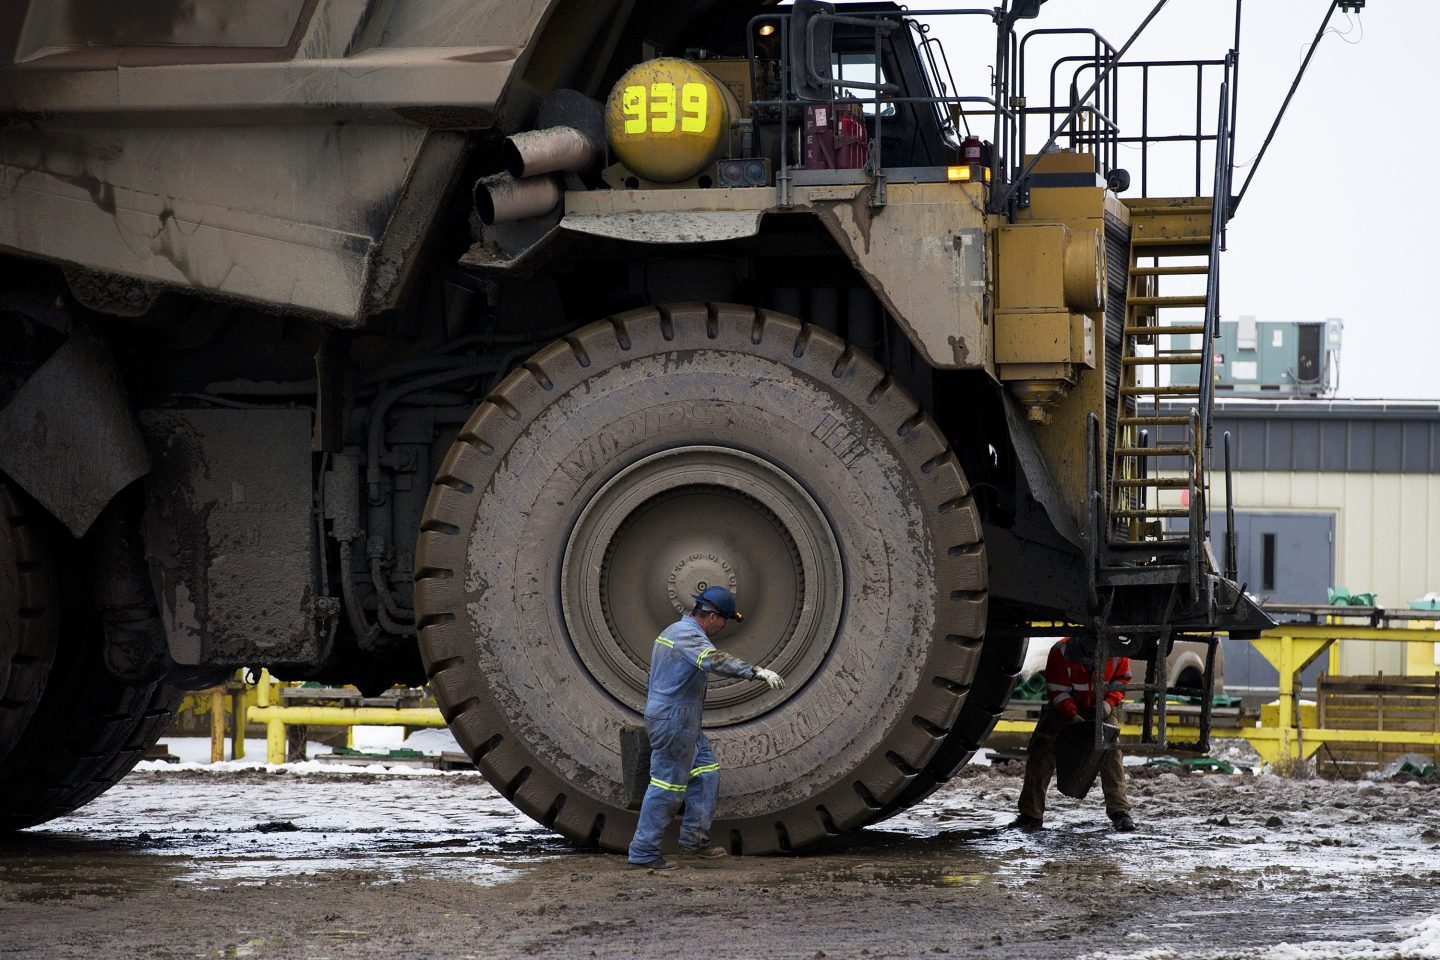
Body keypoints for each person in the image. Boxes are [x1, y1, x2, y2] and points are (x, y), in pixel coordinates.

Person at [627, 586, 785, 869]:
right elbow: (713, 660)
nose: (723, 626)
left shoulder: (677, 631)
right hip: (674, 721)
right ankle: (644, 853)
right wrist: (756, 671)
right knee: (667, 786)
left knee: (706, 773)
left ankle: (693, 844)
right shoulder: (686, 636)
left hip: (684, 720)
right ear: (712, 616)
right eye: (724, 620)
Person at [1011, 635, 1135, 832]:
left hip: (1102, 704)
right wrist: (1072, 716)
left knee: (1111, 751)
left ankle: (1119, 811)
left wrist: (1107, 704)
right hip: (1066, 705)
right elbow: (1058, 690)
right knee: (1043, 747)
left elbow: (1121, 680)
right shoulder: (1060, 651)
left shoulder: (1117, 653)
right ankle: (1030, 814)